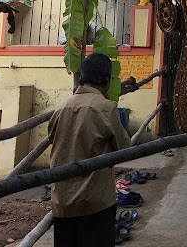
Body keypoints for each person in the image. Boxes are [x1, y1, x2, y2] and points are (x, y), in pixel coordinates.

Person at [48, 53, 130, 247]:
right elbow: (125, 148)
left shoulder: (61, 108)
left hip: (63, 202)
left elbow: (54, 139)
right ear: (107, 80)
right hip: (95, 202)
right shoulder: (106, 108)